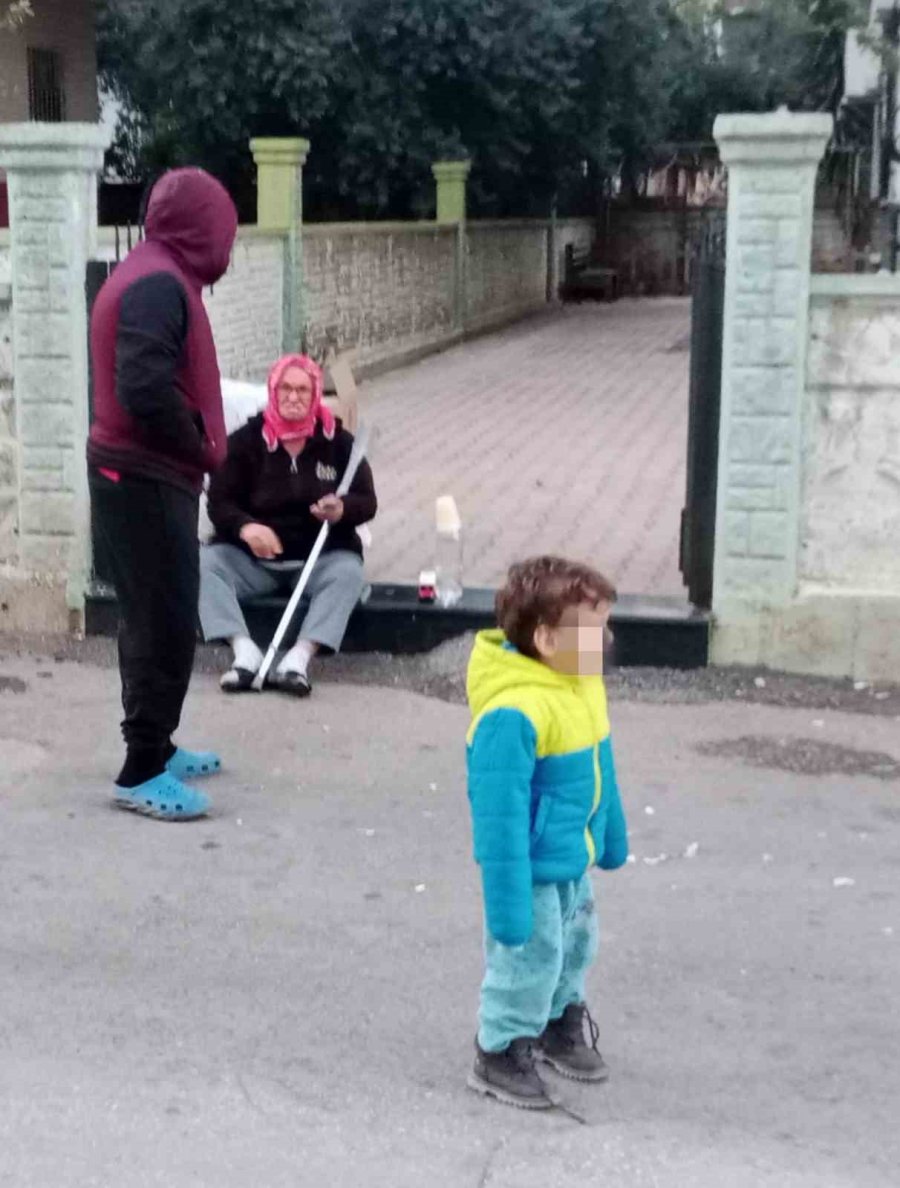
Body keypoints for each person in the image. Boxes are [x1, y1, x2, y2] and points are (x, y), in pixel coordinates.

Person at [87, 168, 238, 822]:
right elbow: (143, 387)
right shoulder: (157, 284)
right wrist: (200, 441)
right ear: (202, 229)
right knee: (163, 621)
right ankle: (141, 767)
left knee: (158, 616)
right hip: (143, 474)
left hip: (144, 474)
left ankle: (159, 742)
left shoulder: (158, 271)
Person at [464, 556, 629, 1109]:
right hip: (530, 867)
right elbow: (498, 819)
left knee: (575, 946)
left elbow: (602, 764)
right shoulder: (513, 713)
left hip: (570, 858)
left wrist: (611, 835)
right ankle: (501, 1048)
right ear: (545, 639)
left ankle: (559, 1021)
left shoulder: (580, 686)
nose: (606, 640)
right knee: (527, 957)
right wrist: (507, 905)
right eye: (592, 630)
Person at [199, 353, 377, 697]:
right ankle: (243, 652)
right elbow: (219, 502)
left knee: (350, 574)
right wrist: (246, 527)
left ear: (314, 396)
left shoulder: (338, 443)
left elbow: (367, 500)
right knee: (204, 565)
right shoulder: (246, 442)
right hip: (253, 562)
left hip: (318, 561)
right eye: (285, 389)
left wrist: (341, 509)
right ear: (272, 392)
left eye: (302, 390)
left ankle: (298, 659)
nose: (293, 397)